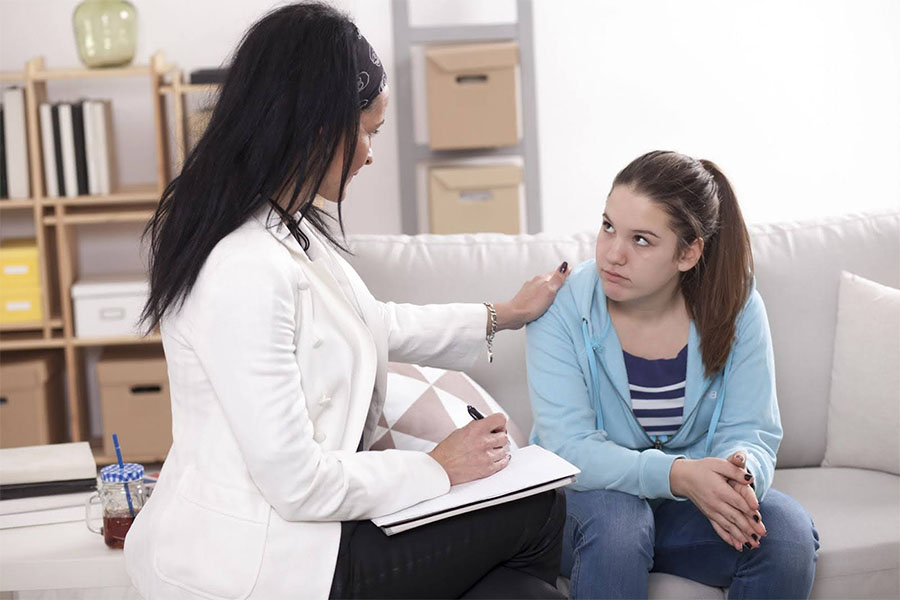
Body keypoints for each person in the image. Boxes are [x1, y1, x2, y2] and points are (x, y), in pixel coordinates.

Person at [124, 3, 569, 598]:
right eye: (365, 131)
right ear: (312, 130)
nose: (368, 153)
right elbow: (297, 482)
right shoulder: (241, 269)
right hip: (264, 562)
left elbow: (371, 324)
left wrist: (503, 315)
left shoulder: (285, 230)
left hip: (312, 534)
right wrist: (440, 467)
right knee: (537, 516)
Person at [526, 151, 819, 599]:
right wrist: (677, 474)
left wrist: (736, 476)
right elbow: (569, 449)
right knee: (622, 523)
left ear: (688, 253)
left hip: (682, 509)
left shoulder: (735, 307)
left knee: (787, 534)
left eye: (641, 240)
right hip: (584, 507)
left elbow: (751, 431)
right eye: (608, 227)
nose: (613, 254)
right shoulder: (561, 306)